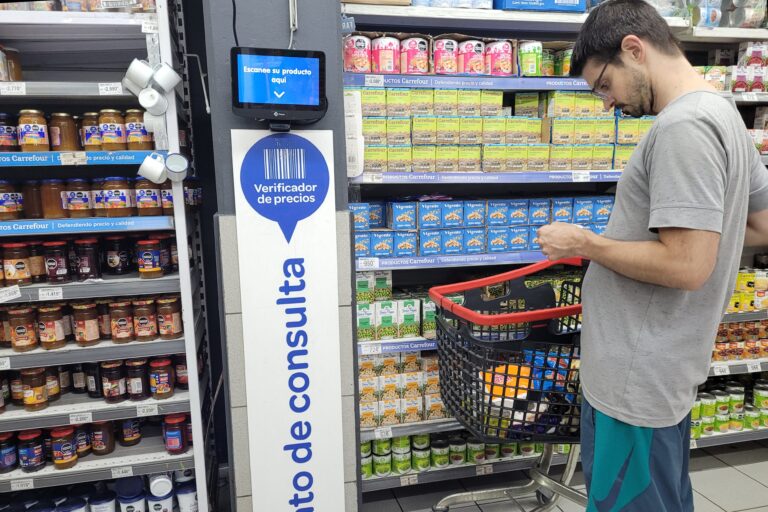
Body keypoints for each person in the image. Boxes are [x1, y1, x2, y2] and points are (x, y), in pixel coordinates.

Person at [537, 0, 768, 510]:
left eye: (603, 85)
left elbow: (687, 266)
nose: (605, 103)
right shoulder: (722, 111)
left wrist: (586, 244)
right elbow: (758, 224)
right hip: (667, 365)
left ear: (634, 50)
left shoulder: (682, 128)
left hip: (636, 377)